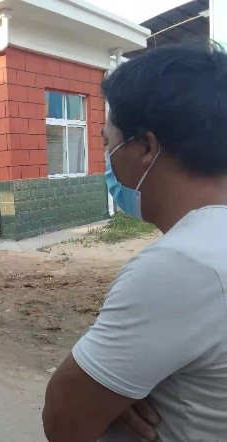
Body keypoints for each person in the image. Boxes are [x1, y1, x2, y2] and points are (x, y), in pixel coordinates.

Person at [43, 44, 227, 442]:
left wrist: (109, 390)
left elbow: (64, 423)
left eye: (108, 143)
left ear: (145, 147)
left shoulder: (181, 264)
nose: (107, 158)